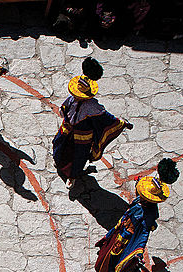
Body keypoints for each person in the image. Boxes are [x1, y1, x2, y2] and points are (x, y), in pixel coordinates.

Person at [92, 159, 177, 272]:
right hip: (120, 228)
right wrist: (139, 180)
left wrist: (139, 251)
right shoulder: (142, 201)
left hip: (123, 239)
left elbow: (144, 234)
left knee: (110, 259)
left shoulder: (147, 214)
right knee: (106, 249)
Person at [51, 58, 132, 190]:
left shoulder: (93, 107)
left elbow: (108, 119)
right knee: (59, 145)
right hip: (67, 130)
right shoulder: (73, 98)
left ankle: (73, 177)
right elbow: (65, 108)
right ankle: (60, 163)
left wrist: (122, 124)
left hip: (82, 138)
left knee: (78, 158)